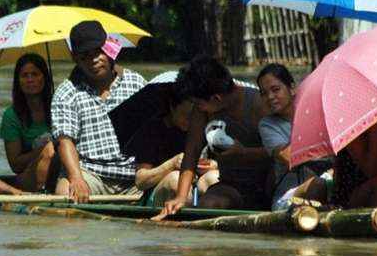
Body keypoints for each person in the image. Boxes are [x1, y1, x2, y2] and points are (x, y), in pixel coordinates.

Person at [156, 55, 272, 218]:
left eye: (199, 103)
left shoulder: (258, 104)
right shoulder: (203, 110)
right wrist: (180, 197)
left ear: (216, 98)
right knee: (208, 205)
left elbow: (283, 153)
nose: (197, 108)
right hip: (231, 187)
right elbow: (192, 152)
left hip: (268, 186)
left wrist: (244, 153)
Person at [51, 20, 146, 201]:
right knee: (65, 191)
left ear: (108, 48)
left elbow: (154, 130)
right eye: (85, 56)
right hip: (92, 175)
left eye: (98, 52)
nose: (94, 60)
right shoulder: (66, 92)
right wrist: (76, 178)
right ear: (75, 58)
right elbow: (65, 141)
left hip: (135, 176)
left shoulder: (136, 83)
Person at [129, 81, 214, 205]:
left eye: (195, 117)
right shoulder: (153, 130)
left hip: (197, 188)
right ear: (172, 107)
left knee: (213, 178)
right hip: (160, 192)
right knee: (175, 180)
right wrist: (172, 164)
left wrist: (213, 165)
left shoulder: (208, 128)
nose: (189, 121)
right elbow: (140, 180)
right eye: (185, 115)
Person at [256, 63, 327, 210]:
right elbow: (288, 156)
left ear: (292, 88)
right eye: (264, 93)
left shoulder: (317, 113)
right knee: (318, 184)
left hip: (329, 188)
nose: (270, 97)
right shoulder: (267, 125)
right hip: (288, 198)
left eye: (276, 90)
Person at [0, 53, 58, 192]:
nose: (30, 79)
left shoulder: (59, 107)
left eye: (35, 74)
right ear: (18, 81)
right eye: (25, 75)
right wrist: (44, 151)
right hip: (28, 177)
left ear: (45, 77)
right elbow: (15, 165)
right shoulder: (11, 115)